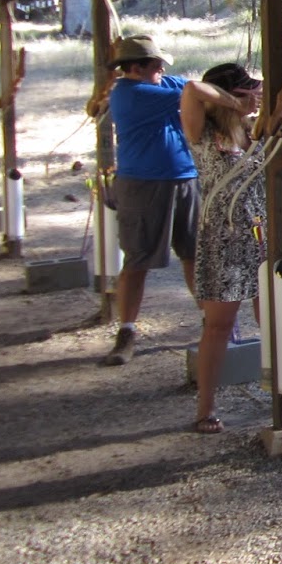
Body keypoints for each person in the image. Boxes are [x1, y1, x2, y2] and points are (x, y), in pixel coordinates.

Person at [103, 34, 241, 367]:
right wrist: (236, 100)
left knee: (195, 255)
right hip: (143, 184)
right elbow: (195, 91)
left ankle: (211, 322)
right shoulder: (130, 94)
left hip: (184, 178)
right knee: (137, 260)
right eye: (155, 66)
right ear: (135, 69)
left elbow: (196, 88)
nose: (162, 70)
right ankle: (127, 329)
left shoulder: (162, 85)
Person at [181, 62, 282, 433]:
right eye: (249, 90)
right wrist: (234, 100)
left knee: (276, 319)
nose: (257, 96)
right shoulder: (203, 132)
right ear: (231, 94)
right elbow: (191, 89)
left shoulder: (256, 130)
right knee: (218, 326)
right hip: (223, 238)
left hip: (263, 234)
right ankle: (206, 408)